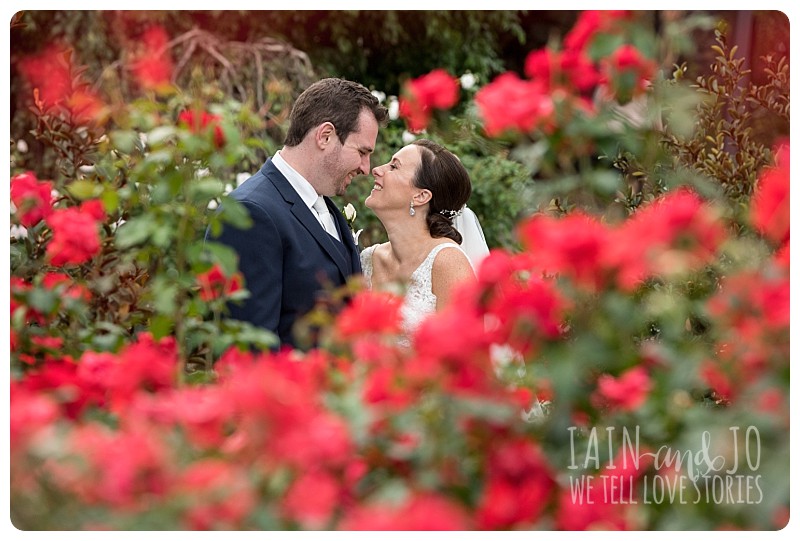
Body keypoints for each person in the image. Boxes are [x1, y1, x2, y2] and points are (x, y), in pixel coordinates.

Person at [207, 78, 389, 348]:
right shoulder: (250, 213)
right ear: (325, 136)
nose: (366, 167)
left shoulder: (324, 205)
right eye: (362, 151)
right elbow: (249, 350)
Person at [360, 138, 488, 340]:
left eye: (394, 166)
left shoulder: (448, 263)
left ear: (420, 196)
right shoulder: (368, 258)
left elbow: (465, 351)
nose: (376, 170)